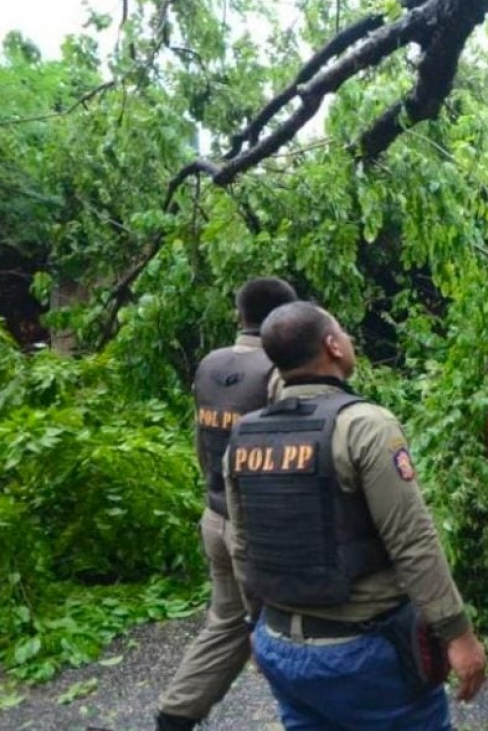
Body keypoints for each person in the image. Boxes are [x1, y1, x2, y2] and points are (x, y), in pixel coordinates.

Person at [222, 301, 486, 729]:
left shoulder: (244, 434)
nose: (349, 339)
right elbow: (412, 540)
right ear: (333, 346)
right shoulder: (365, 425)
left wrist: (256, 625)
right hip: (362, 654)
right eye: (344, 332)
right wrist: (458, 634)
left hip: (278, 645)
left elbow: (241, 545)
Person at [156, 277, 299, 731]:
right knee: (294, 633)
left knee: (226, 622)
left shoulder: (210, 365)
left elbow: (202, 445)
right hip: (257, 531)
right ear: (286, 319)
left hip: (215, 515)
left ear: (239, 314)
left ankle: (174, 716)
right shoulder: (278, 371)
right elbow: (294, 453)